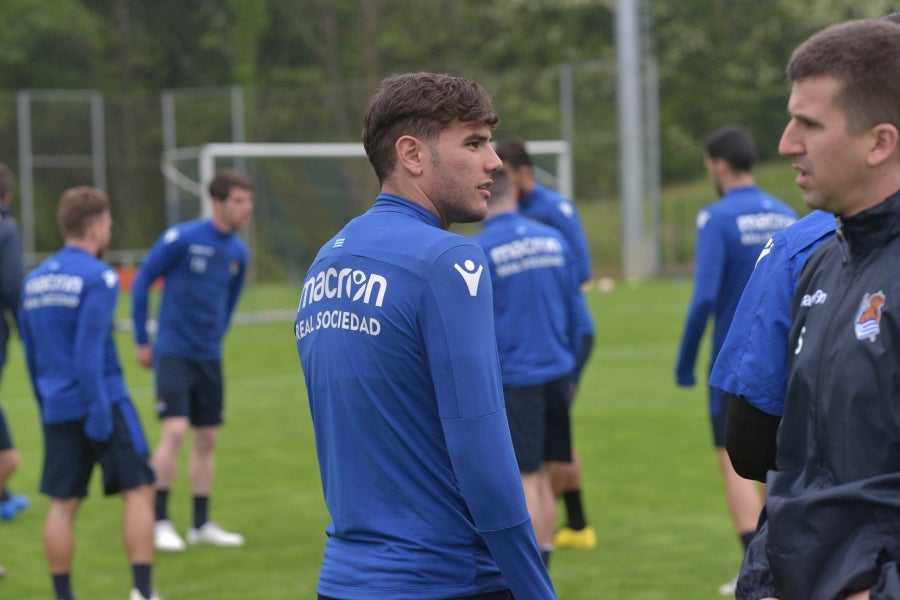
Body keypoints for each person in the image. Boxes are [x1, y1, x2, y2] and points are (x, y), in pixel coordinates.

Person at [294, 72, 556, 599]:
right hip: (446, 579)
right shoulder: (447, 260)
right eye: (474, 143)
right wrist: (536, 590)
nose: (495, 162)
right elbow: (482, 453)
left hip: (343, 581)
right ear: (412, 154)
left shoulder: (328, 260)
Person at [734, 19, 900, 600]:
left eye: (809, 124)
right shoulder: (822, 264)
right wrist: (762, 580)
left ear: (879, 142)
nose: (786, 143)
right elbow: (795, 471)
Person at [18, 186, 160, 600]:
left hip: (57, 406)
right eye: (109, 223)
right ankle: (142, 591)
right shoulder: (99, 276)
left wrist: (46, 406)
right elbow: (88, 355)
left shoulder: (33, 282)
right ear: (96, 228)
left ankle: (63, 595)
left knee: (62, 504)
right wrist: (99, 415)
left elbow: (32, 356)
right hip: (104, 401)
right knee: (139, 491)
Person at [674, 124, 797, 595]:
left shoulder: (716, 217)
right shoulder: (786, 212)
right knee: (781, 461)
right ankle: (787, 563)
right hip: (789, 356)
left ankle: (756, 569)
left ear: (719, 165)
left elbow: (705, 296)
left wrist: (686, 362)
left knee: (734, 459)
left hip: (738, 362)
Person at [131, 169, 253, 553]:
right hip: (173, 352)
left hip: (209, 357)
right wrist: (142, 339)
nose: (247, 208)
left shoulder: (239, 253)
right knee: (175, 431)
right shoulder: (182, 238)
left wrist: (216, 337)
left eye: (249, 201)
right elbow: (141, 281)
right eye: (239, 201)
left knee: (207, 437)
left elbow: (229, 304)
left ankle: (201, 525)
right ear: (217, 203)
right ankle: (159, 521)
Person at [473, 169, 582, 569]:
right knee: (546, 475)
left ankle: (533, 576)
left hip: (517, 378)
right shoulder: (553, 239)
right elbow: (576, 314)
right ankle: (542, 572)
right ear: (516, 193)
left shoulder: (479, 250)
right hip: (558, 371)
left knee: (527, 478)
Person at [496, 139, 597, 551]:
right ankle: (574, 523)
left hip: (558, 342)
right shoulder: (520, 219)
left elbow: (582, 273)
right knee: (546, 444)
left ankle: (548, 536)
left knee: (534, 459)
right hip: (547, 345)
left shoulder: (554, 210)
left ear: (521, 172)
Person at [0, 163, 28, 524]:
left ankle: (4, 495)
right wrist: (27, 334)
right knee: (8, 457)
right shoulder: (6, 229)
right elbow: (10, 286)